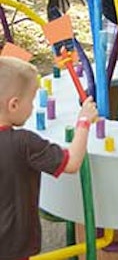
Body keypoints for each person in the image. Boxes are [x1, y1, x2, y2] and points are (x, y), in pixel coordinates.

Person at [0, 56, 98, 260]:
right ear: (14, 105)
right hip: (12, 248)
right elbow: (71, 163)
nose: (33, 107)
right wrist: (84, 121)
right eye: (32, 100)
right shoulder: (24, 143)